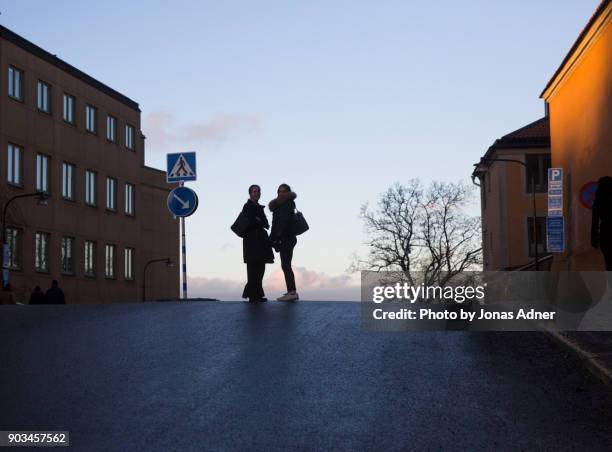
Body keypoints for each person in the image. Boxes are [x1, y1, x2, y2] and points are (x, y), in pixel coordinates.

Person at [241, 185, 274, 302]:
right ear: (250, 193)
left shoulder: (259, 207)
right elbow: (251, 221)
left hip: (260, 241)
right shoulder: (247, 206)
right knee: (253, 268)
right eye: (254, 191)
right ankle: (253, 295)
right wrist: (258, 221)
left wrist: (258, 221)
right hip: (251, 242)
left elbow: (265, 223)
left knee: (260, 268)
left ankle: (257, 294)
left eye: (258, 191)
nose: (257, 193)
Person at [269, 183, 299, 301]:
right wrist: (272, 238)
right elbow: (275, 224)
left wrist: (277, 237)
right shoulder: (277, 206)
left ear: (287, 193)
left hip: (287, 238)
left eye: (283, 191)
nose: (281, 193)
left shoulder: (288, 204)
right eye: (279, 191)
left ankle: (292, 292)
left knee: (286, 264)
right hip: (283, 237)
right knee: (285, 264)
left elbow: (283, 222)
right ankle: (291, 291)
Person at [592, 176, 612, 270]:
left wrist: (594, 239)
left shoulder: (598, 199)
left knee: (609, 263)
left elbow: (595, 220)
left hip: (605, 234)